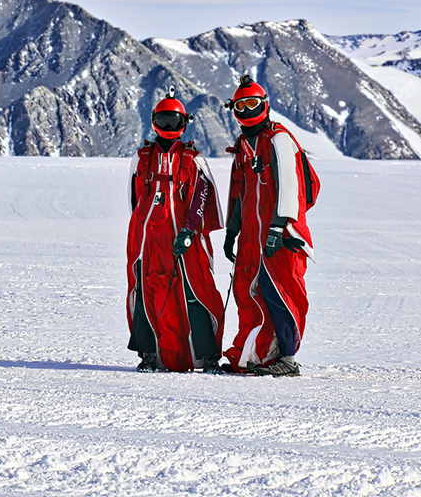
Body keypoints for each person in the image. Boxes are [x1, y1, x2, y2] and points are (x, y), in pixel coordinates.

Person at [221, 74, 317, 377]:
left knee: (280, 291)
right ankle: (257, 355)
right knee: (249, 293)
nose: (247, 111)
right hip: (252, 234)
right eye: (240, 106)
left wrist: (278, 227)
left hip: (281, 233)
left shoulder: (278, 139)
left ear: (265, 104)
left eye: (252, 103)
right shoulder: (243, 145)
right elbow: (239, 191)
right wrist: (232, 230)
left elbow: (290, 186)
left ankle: (287, 358)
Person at [126, 87, 226, 374]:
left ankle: (207, 355)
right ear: (154, 121)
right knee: (145, 291)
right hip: (147, 239)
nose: (169, 127)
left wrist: (189, 231)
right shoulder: (141, 157)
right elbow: (134, 200)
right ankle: (148, 354)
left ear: (184, 123)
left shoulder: (193, 159)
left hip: (185, 239)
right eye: (164, 120)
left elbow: (202, 198)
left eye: (175, 121)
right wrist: (141, 231)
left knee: (195, 290)